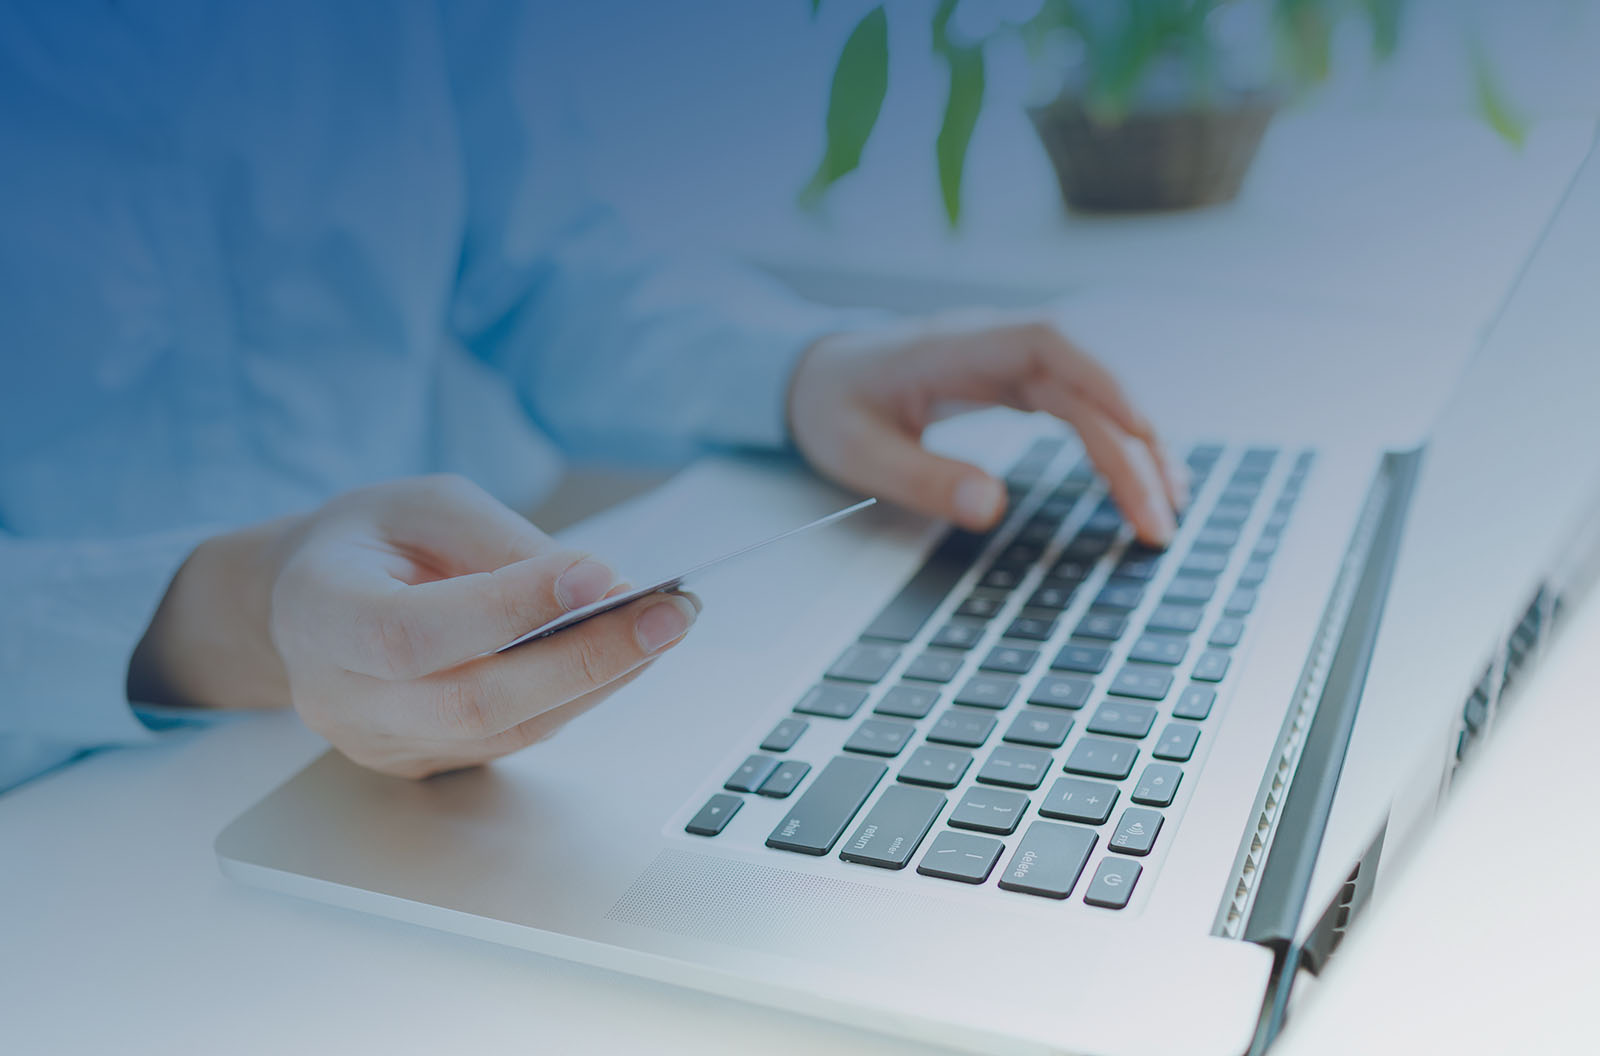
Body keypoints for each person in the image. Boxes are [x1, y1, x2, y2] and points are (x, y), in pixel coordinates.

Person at [0, 2, 1183, 793]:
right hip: (58, 797)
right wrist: (229, 612)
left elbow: (537, 264)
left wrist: (802, 373)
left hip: (442, 768)